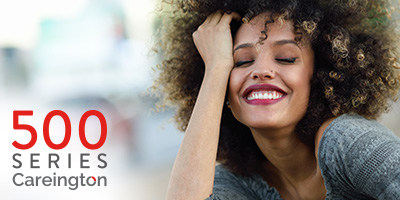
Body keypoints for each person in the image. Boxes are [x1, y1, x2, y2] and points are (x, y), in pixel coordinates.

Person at [153, 0, 400, 199]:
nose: (261, 71)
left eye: (285, 58)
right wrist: (216, 68)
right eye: (241, 62)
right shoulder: (237, 184)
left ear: (319, 77)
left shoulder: (347, 141)